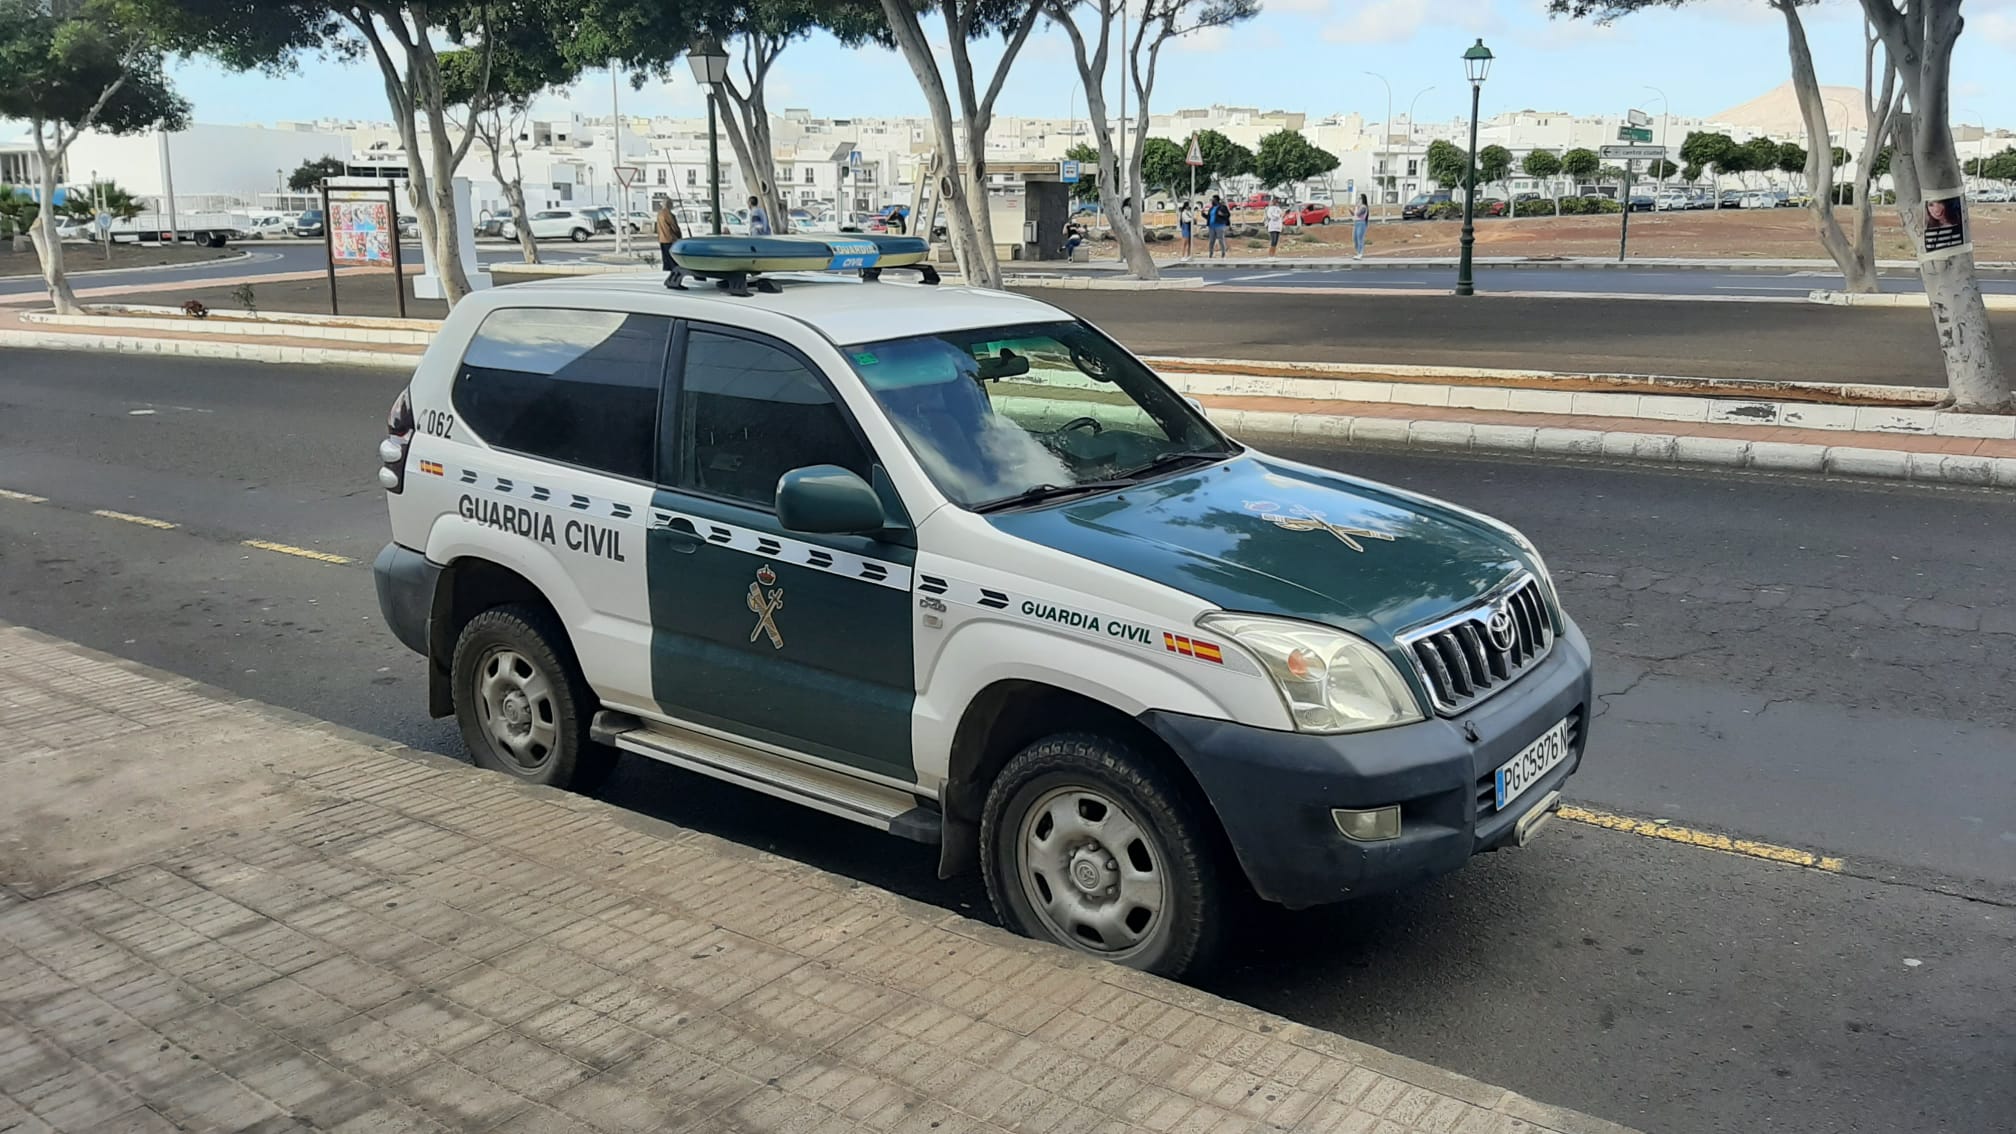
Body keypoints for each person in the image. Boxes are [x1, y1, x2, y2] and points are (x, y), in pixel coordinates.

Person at [654, 201, 686, 290]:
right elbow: (674, 226)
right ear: (669, 205)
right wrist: (679, 235)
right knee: (675, 263)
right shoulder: (669, 214)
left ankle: (671, 281)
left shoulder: (659, 214)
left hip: (662, 240)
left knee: (668, 262)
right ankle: (675, 282)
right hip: (670, 239)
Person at [1206, 194, 1231, 258]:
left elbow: (1228, 215)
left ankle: (1223, 252)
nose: (1212, 201)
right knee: (1211, 240)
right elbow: (1209, 217)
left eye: (1213, 199)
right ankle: (1211, 253)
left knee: (1221, 239)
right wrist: (1203, 214)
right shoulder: (1211, 208)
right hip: (1211, 226)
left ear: (1216, 200)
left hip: (1219, 225)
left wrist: (1222, 214)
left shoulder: (1222, 207)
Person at [1352, 193, 1370, 260]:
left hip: (1361, 223)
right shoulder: (1359, 206)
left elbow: (1358, 214)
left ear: (1362, 199)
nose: (1358, 199)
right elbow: (1355, 215)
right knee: (1355, 238)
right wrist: (1351, 211)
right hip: (1356, 223)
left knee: (1360, 238)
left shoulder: (1363, 207)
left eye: (1359, 198)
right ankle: (1358, 253)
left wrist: (1356, 207)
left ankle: (1360, 253)